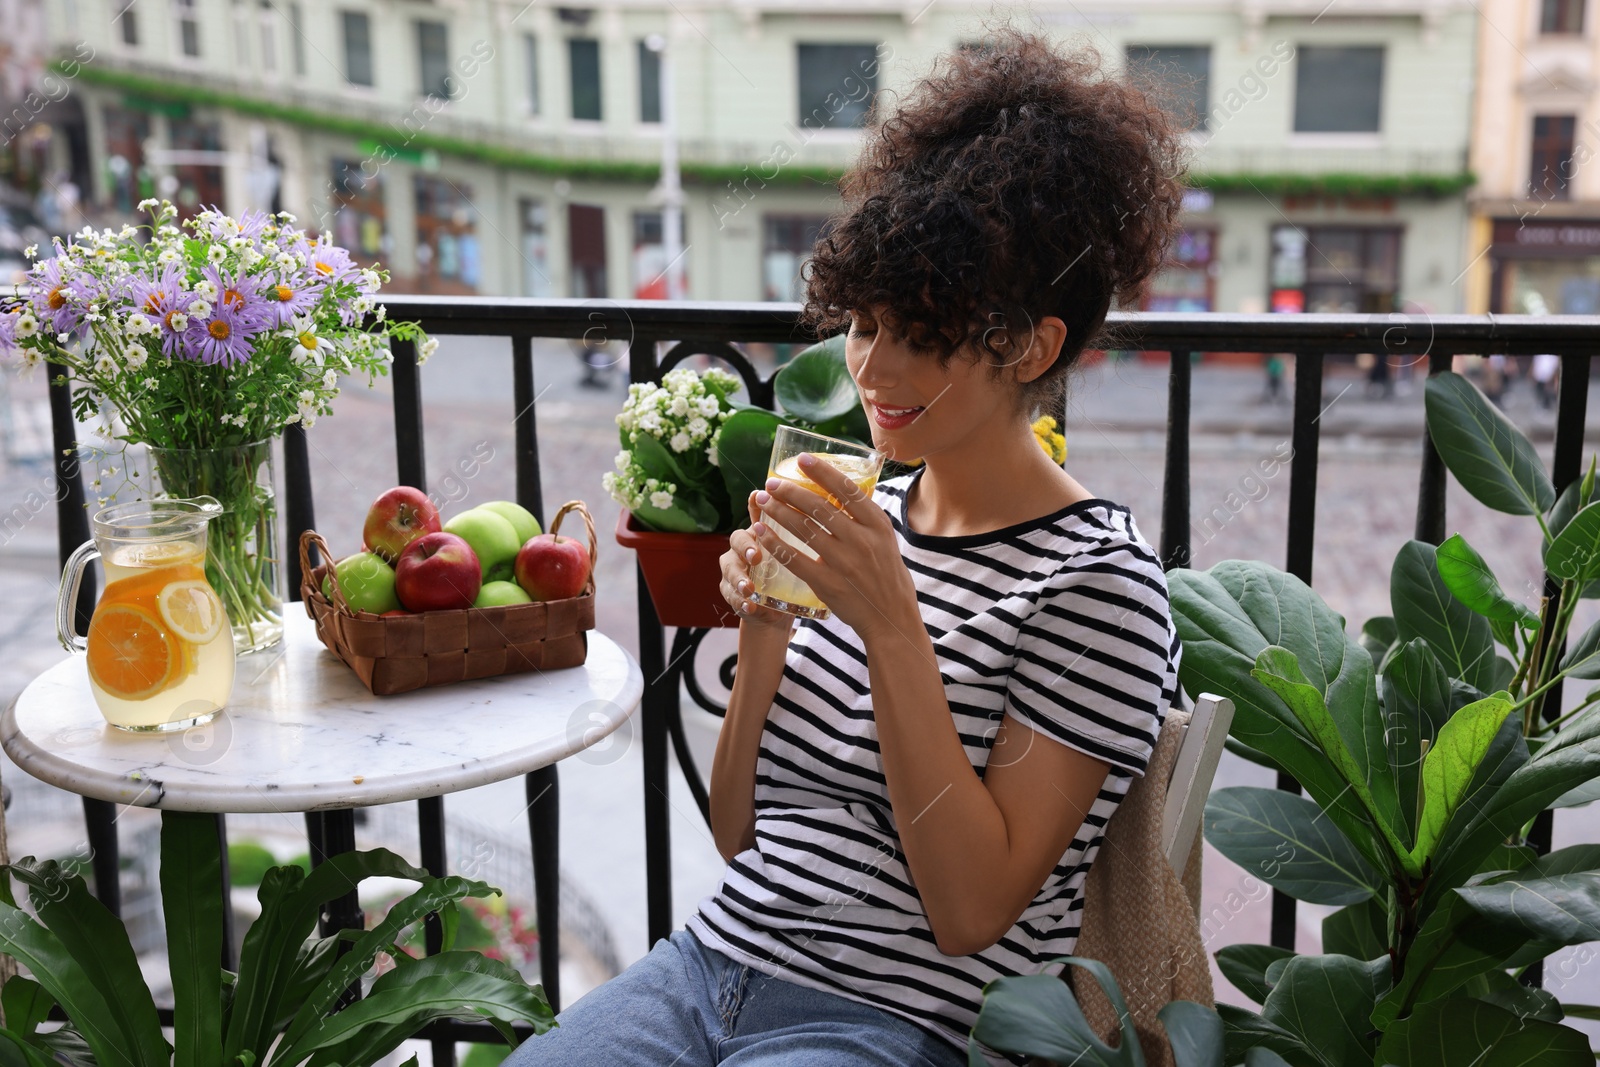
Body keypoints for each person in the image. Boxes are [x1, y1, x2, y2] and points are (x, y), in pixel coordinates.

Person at [510, 28, 1184, 1067]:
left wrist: (891, 623)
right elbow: (743, 835)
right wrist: (766, 637)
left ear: (1032, 345)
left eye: (923, 332)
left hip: (901, 1019)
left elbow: (970, 911)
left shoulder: (1096, 585)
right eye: (865, 323)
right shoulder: (871, 515)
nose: (874, 367)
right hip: (709, 964)